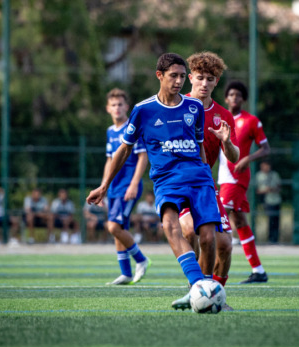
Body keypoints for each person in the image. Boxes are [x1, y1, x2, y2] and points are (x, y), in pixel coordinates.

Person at [87, 53, 221, 304]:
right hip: (166, 179)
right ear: (159, 76)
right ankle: (200, 288)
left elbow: (201, 146)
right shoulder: (142, 110)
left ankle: (206, 287)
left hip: (198, 177)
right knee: (170, 226)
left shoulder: (194, 108)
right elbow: (124, 149)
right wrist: (104, 185)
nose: (179, 81)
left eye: (183, 76)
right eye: (174, 76)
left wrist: (208, 178)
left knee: (208, 237)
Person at [172, 51, 240, 311]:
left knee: (224, 245)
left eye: (209, 79)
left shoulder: (223, 115)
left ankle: (216, 295)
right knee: (189, 231)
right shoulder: (176, 108)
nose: (204, 83)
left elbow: (233, 157)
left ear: (216, 81)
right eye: (199, 77)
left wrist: (227, 141)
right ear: (190, 78)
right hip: (179, 183)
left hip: (205, 184)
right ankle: (195, 289)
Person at [218, 80, 271, 284]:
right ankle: (258, 270)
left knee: (218, 217)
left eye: (238, 95)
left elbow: (266, 149)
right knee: (239, 222)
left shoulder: (251, 121)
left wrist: (247, 158)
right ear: (226, 98)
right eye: (231, 94)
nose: (234, 97)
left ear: (243, 99)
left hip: (237, 177)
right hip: (224, 176)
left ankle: (211, 272)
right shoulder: (220, 119)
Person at [99, 87, 150, 285]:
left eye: (120, 104)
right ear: (107, 109)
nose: (117, 108)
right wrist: (103, 187)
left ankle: (141, 260)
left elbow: (142, 157)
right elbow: (109, 161)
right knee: (120, 228)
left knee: (113, 226)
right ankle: (126, 273)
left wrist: (135, 184)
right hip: (113, 187)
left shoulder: (132, 127)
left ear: (127, 106)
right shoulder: (110, 131)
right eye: (113, 105)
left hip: (128, 186)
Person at [256, 160, 282, 244]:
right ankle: (267, 239)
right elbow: (255, 190)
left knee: (276, 220)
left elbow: (279, 187)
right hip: (265, 201)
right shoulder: (258, 176)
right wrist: (264, 191)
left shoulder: (274, 175)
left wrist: (272, 189)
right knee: (269, 220)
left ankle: (274, 239)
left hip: (275, 200)